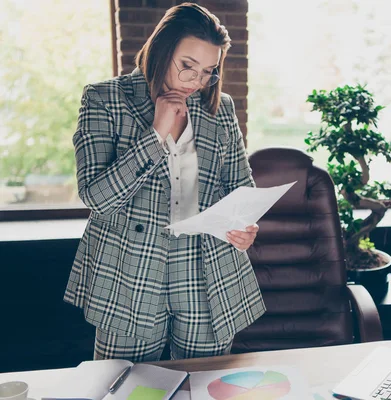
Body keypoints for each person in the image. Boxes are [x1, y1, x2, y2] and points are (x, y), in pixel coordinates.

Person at [64, 3, 265, 362]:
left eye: (207, 71)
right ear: (161, 48)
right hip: (131, 272)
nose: (196, 82)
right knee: (124, 385)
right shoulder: (105, 99)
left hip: (206, 271)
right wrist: (156, 133)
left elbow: (240, 187)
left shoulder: (220, 108)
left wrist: (245, 227)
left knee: (204, 385)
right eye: (187, 66)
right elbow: (96, 197)